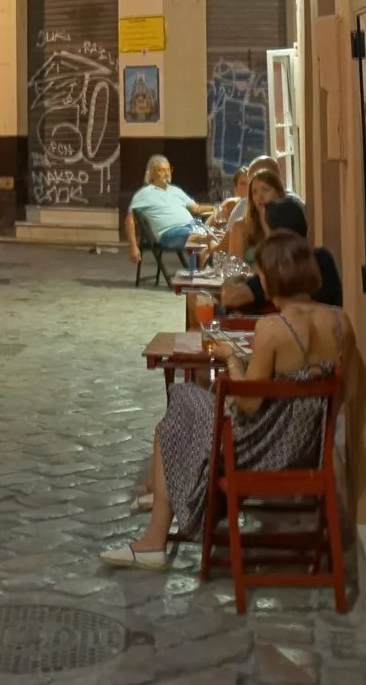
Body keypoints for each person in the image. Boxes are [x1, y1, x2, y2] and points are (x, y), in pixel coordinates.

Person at [103, 232, 345, 569]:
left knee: (181, 399)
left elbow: (249, 404)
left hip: (260, 449)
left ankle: (155, 537)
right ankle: (162, 505)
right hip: (307, 447)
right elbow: (336, 392)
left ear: (274, 276)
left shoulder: (274, 328)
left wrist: (231, 358)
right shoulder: (341, 322)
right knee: (184, 412)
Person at [219, 162, 317, 312]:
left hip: (286, 288)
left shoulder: (291, 219)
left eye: (265, 190)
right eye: (255, 192)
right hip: (251, 289)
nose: (260, 197)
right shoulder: (241, 226)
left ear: (278, 193)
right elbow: (235, 270)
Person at [126, 155, 209, 268]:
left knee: (215, 233)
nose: (166, 173)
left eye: (168, 169)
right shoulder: (144, 194)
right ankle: (200, 271)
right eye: (162, 170)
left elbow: (197, 208)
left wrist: (219, 207)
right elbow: (129, 220)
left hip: (191, 227)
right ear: (151, 173)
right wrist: (133, 247)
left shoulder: (176, 190)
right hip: (168, 234)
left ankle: (204, 270)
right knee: (202, 236)